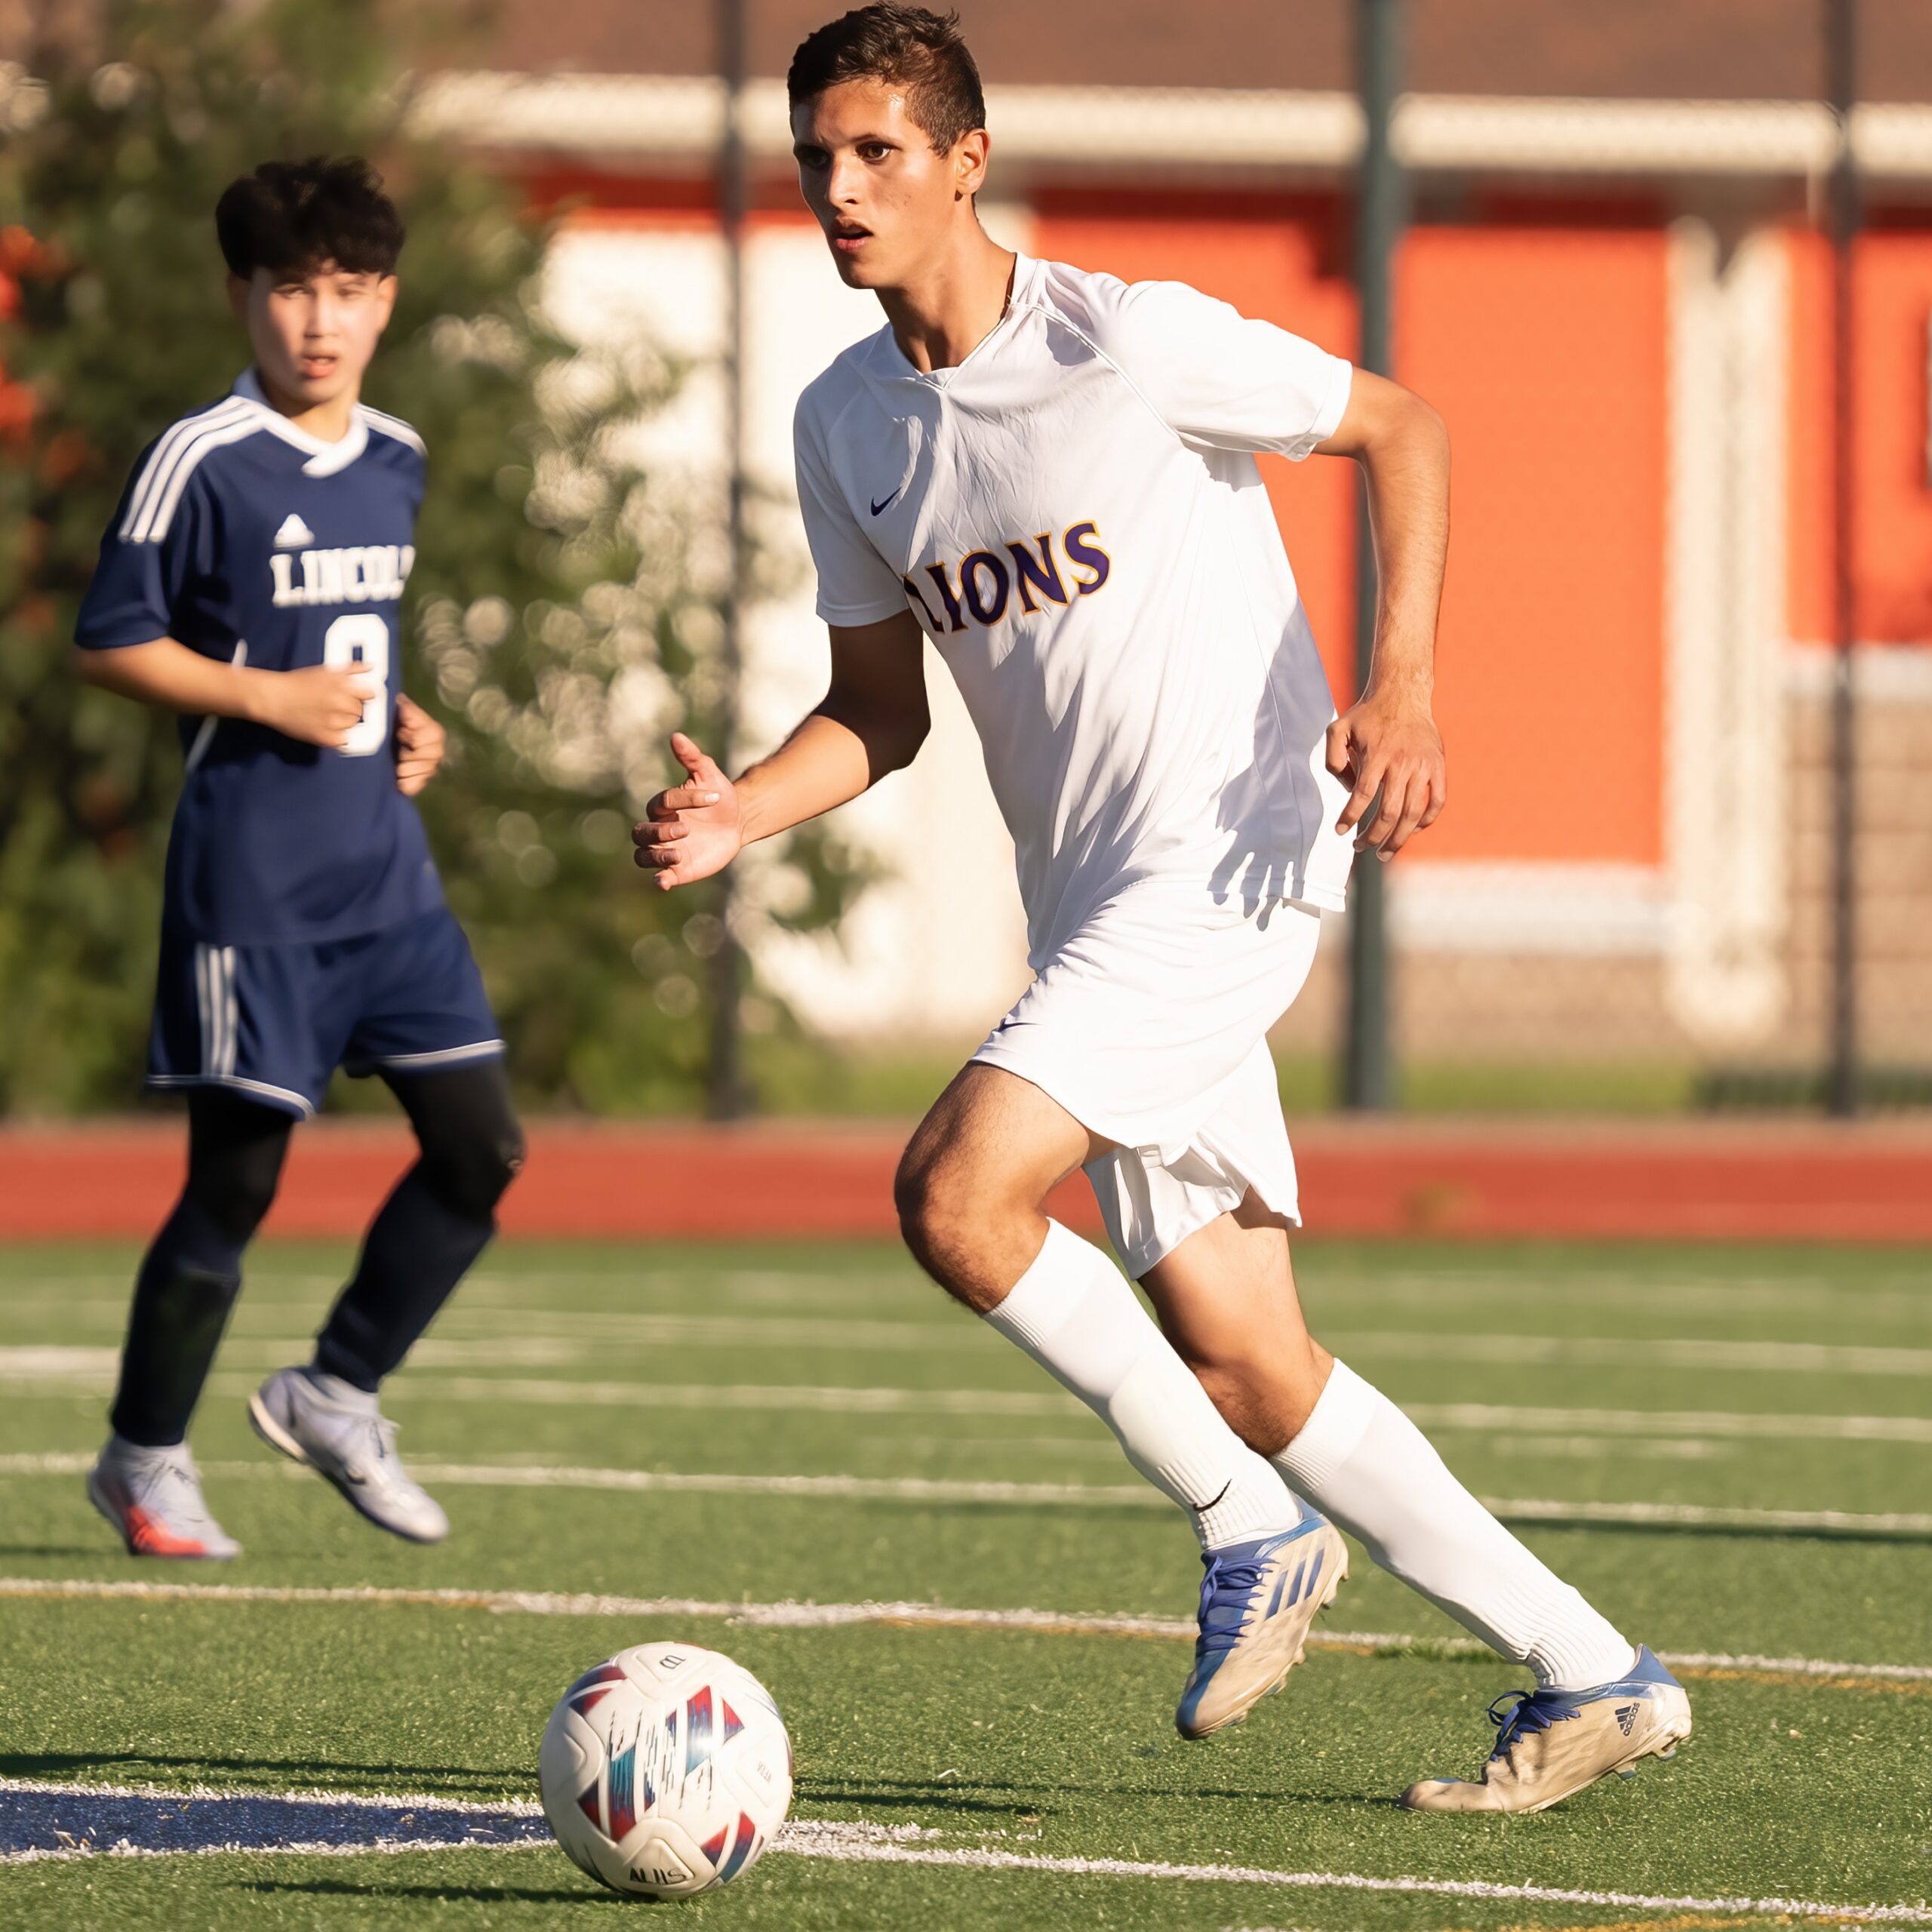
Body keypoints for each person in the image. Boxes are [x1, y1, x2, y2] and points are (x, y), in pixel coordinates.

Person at [635, 5, 1691, 1814]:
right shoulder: (844, 422)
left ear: (967, 158)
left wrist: (1407, 681)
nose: (840, 185)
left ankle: (1243, 1526)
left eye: (877, 150)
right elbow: (877, 713)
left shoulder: (1126, 340)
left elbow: (1402, 426)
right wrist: (746, 807)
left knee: (955, 1194)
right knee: (1245, 1350)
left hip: (1231, 860)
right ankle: (1591, 1665)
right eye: (817, 153)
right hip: (1099, 913)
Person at [74, 157, 523, 1561]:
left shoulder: (397, 455)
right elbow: (112, 639)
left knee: (480, 1149)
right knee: (237, 1182)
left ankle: (335, 1391)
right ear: (242, 297)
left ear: (385, 301)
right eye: (287, 290)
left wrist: (407, 721)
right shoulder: (201, 456)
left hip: (386, 879)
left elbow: (356, 639)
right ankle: (143, 1461)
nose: (316, 320)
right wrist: (265, 699)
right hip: (251, 891)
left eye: (345, 290)